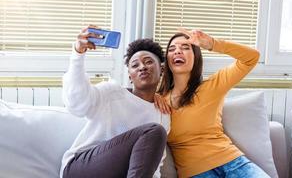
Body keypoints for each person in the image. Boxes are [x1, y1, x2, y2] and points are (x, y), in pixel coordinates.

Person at [60, 25, 170, 178]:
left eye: (148, 62)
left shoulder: (163, 113)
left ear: (162, 70)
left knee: (156, 131)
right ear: (130, 76)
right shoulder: (112, 92)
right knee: (155, 131)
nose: (142, 67)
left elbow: (153, 164)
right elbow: (76, 104)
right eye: (135, 65)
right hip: (81, 167)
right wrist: (78, 54)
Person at [159, 28, 270, 178]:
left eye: (185, 48)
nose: (178, 51)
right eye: (172, 49)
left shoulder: (212, 86)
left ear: (196, 57)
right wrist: (154, 96)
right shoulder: (158, 101)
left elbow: (252, 57)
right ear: (167, 60)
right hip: (195, 172)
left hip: (234, 163)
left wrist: (212, 43)